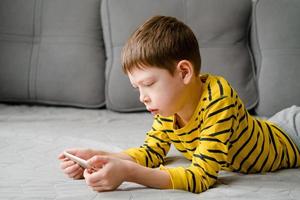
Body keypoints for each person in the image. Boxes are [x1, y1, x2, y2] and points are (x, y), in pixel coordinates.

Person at [58, 15, 300, 193]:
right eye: (138, 88)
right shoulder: (167, 108)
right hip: (271, 125)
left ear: (184, 72)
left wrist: (128, 173)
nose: (142, 97)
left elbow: (201, 176)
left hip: (291, 134)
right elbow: (150, 154)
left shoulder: (218, 98)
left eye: (149, 84)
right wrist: (99, 157)